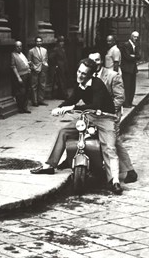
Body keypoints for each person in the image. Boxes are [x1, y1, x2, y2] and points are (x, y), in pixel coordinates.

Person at [30, 58, 123, 195]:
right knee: (63, 132)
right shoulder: (80, 85)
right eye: (79, 72)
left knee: (109, 147)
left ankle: (114, 181)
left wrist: (71, 107)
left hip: (105, 118)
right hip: (89, 116)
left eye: (84, 74)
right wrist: (60, 108)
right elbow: (72, 99)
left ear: (90, 75)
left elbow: (95, 104)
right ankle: (50, 165)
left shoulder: (97, 84)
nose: (80, 75)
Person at [88, 52, 137, 183]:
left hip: (110, 115)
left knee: (113, 141)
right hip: (95, 114)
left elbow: (120, 98)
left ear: (102, 61)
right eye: (92, 61)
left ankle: (130, 171)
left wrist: (107, 111)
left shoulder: (112, 75)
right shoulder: (89, 75)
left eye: (98, 60)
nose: (96, 63)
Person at [120, 31, 141, 107]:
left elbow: (139, 56)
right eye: (135, 37)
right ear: (131, 36)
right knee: (127, 86)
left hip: (133, 69)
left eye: (137, 37)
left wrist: (134, 56)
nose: (136, 38)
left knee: (132, 86)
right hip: (127, 69)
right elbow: (127, 57)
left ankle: (130, 102)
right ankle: (126, 103)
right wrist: (134, 56)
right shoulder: (126, 45)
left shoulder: (136, 45)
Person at [10, 41, 31, 114]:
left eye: (20, 46)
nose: (19, 48)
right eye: (17, 46)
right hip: (21, 75)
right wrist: (18, 77)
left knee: (27, 92)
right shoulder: (13, 55)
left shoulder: (22, 54)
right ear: (15, 47)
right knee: (21, 92)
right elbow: (13, 67)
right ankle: (21, 108)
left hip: (27, 74)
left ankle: (25, 107)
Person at [27, 36, 49, 106]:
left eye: (40, 41)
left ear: (42, 42)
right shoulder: (31, 51)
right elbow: (29, 61)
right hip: (35, 70)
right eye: (37, 41)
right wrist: (33, 67)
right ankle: (35, 101)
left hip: (43, 69)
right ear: (35, 42)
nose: (39, 43)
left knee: (42, 85)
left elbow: (46, 59)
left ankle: (41, 100)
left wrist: (45, 65)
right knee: (34, 86)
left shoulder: (45, 50)